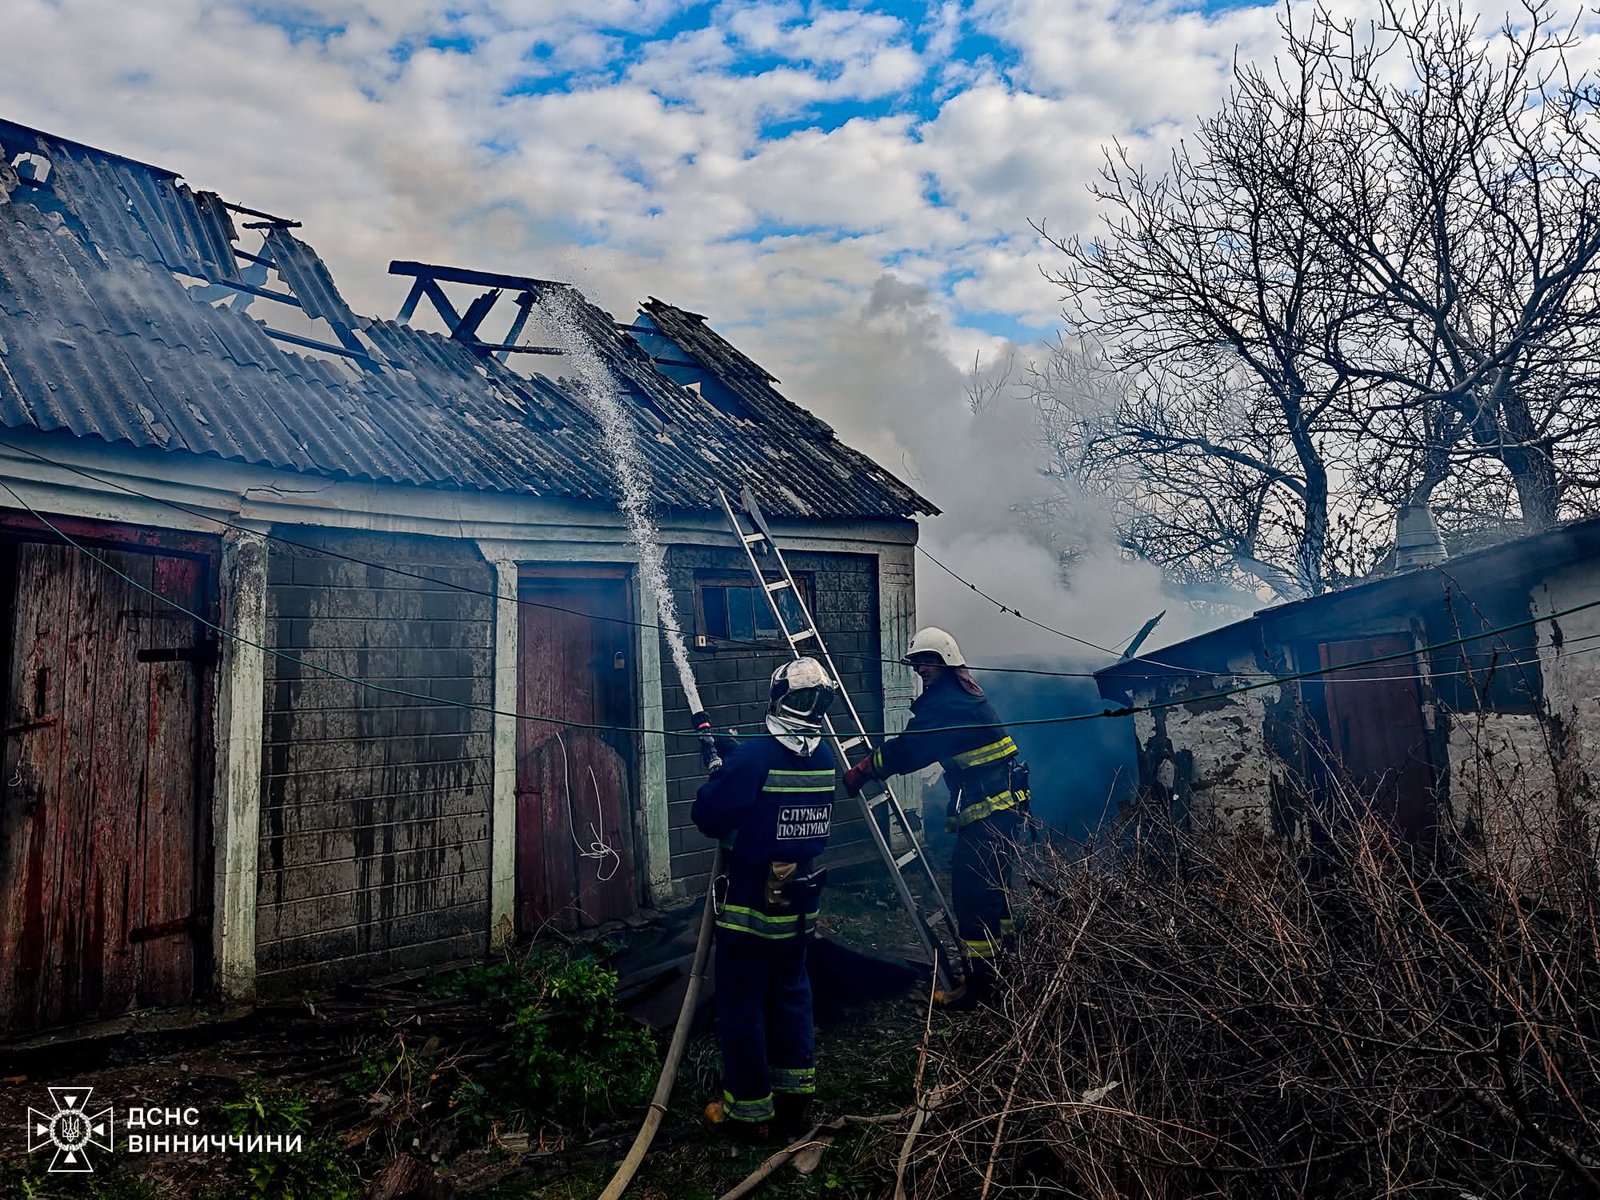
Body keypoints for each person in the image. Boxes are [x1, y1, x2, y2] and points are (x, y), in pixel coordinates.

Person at [691, 657, 839, 1141]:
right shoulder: (824, 759)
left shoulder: (753, 760)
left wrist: (721, 772)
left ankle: (749, 1115)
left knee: (742, 1006)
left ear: (778, 698)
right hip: (800, 910)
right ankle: (797, 1105)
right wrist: (733, 760)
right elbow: (775, 795)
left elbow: (710, 817)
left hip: (751, 911)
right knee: (793, 997)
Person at [842, 627, 1028, 1008]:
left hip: (990, 813)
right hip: (1001, 811)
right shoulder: (961, 696)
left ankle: (978, 992)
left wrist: (865, 768)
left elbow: (911, 750)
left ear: (946, 662)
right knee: (994, 894)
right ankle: (1003, 970)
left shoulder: (949, 705)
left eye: (928, 661)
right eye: (917, 663)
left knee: (974, 896)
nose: (920, 669)